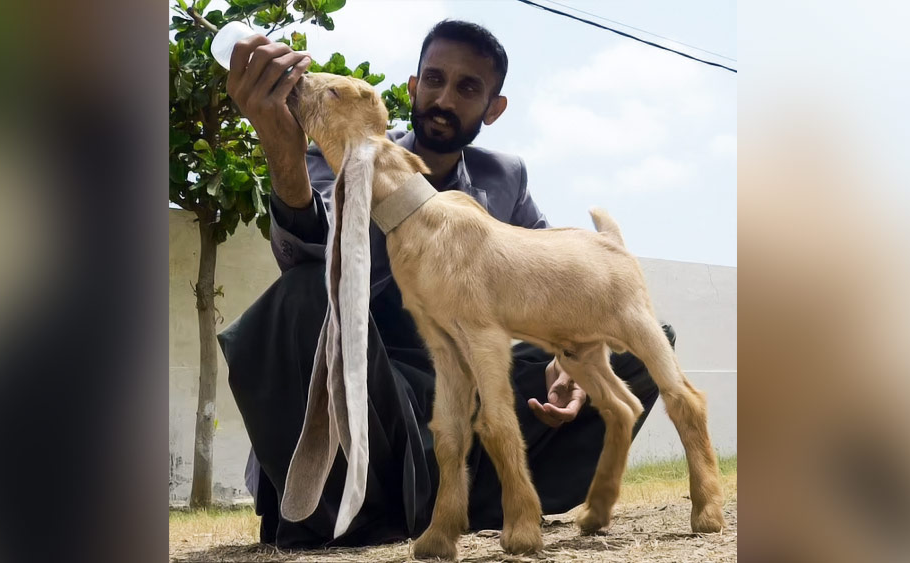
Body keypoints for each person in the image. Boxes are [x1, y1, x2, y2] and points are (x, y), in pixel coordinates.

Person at [218, 19, 675, 548]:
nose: (443, 98)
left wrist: (569, 353)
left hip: (468, 383)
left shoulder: (505, 177)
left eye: (468, 88)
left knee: (643, 345)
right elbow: (310, 255)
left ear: (493, 108)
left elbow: (552, 273)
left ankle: (457, 501)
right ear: (412, 86)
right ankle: (366, 502)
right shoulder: (351, 147)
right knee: (299, 297)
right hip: (376, 381)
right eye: (433, 79)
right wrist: (283, 152)